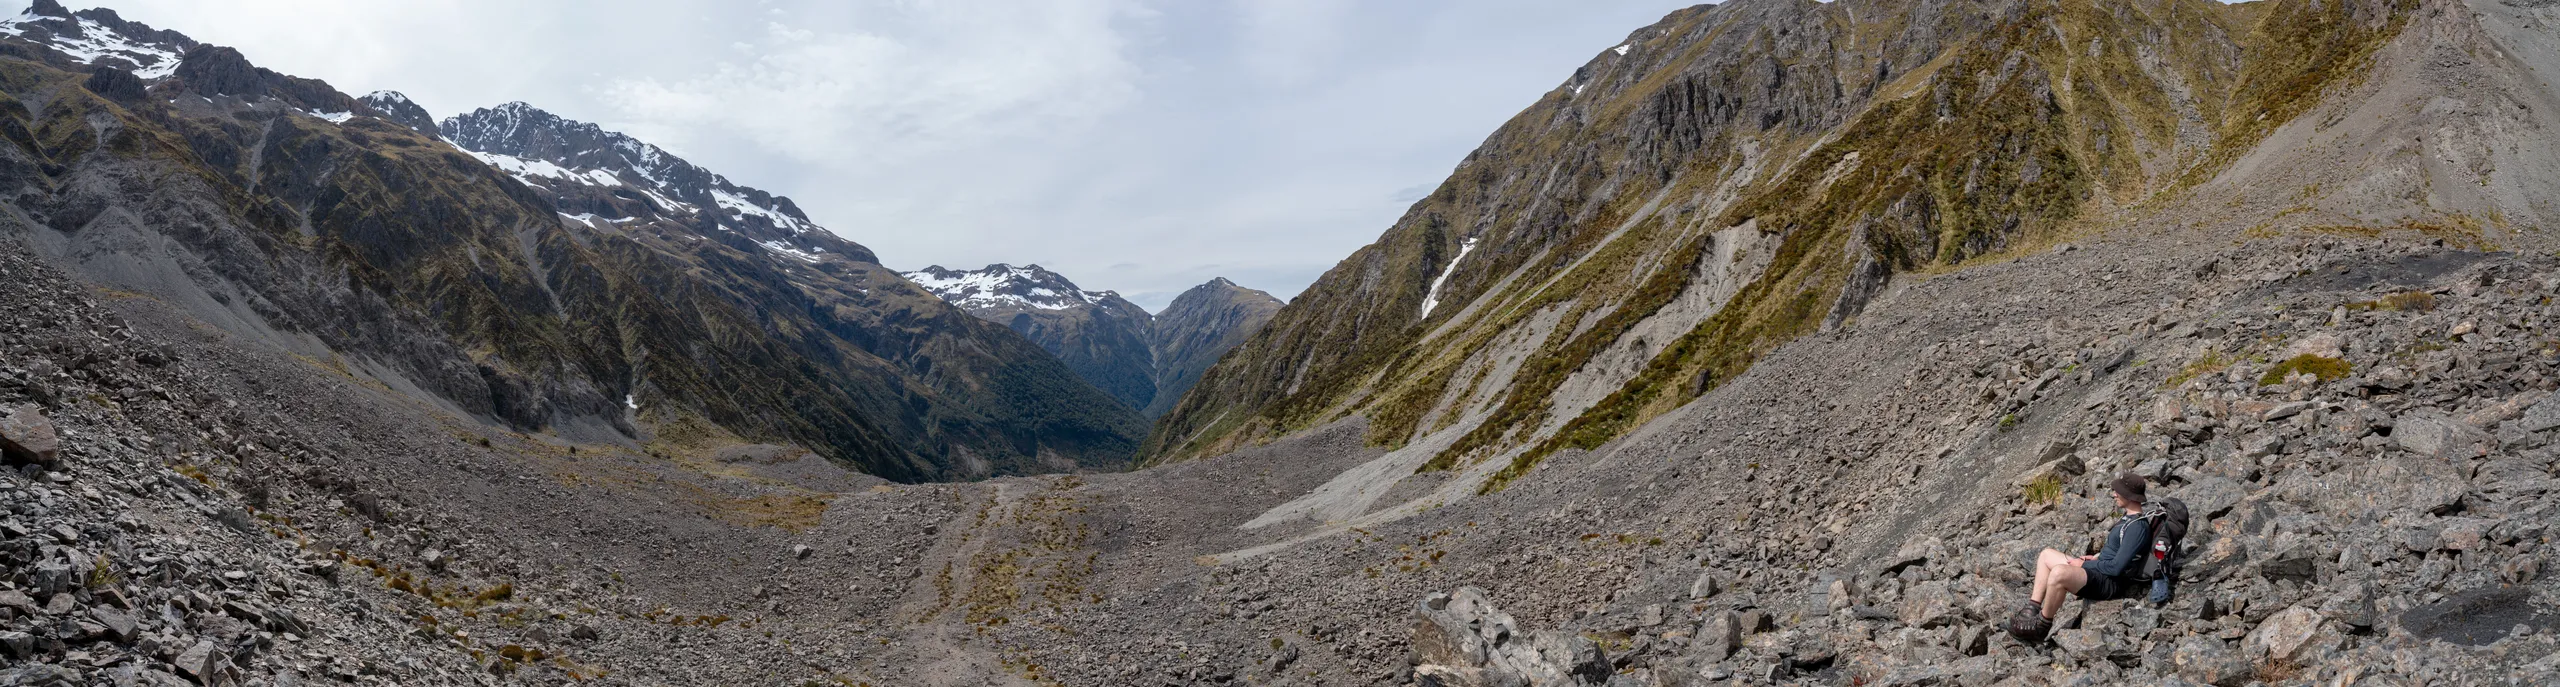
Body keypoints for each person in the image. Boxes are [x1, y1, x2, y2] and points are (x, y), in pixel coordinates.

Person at [2014, 473, 2151, 640]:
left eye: (2118, 491)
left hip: (2109, 582)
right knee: (2046, 555)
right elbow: (2119, 551)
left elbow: (2116, 568)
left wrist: (2083, 565)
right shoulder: (2128, 519)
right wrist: (2094, 557)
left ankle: (2041, 625)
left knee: (2059, 573)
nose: (2114, 494)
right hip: (2100, 569)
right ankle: (2031, 610)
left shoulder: (2137, 527)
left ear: (2129, 495)